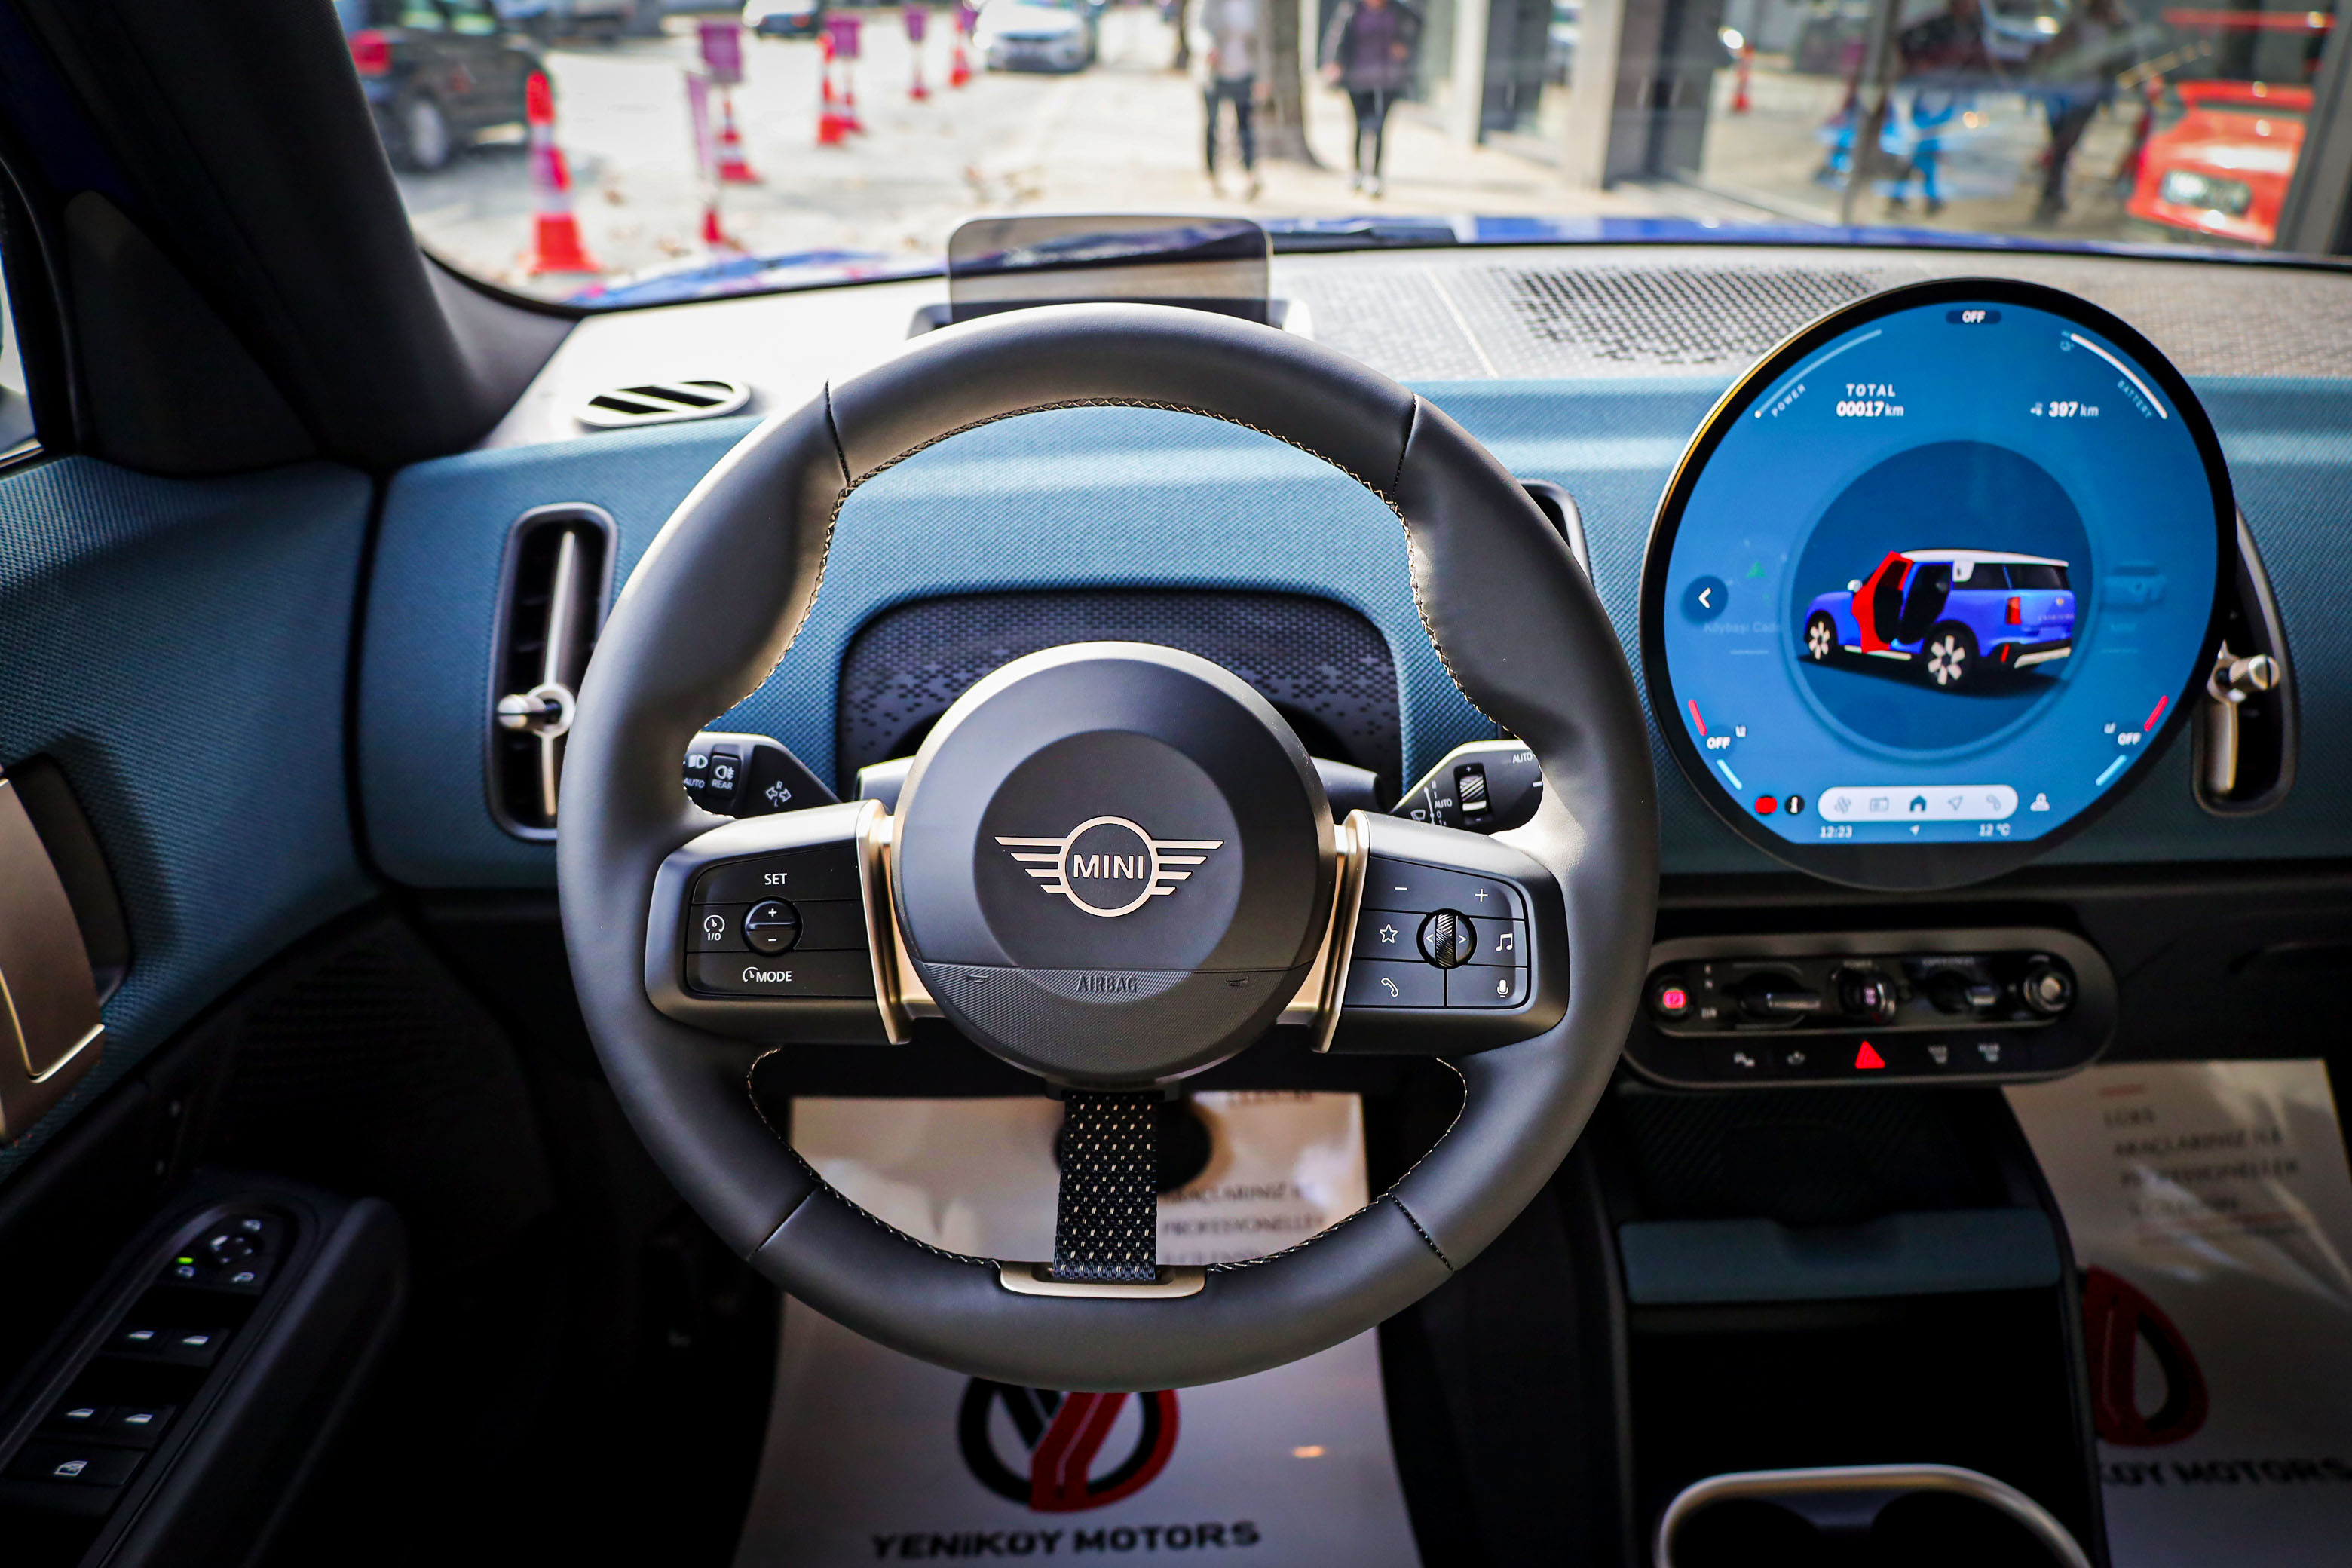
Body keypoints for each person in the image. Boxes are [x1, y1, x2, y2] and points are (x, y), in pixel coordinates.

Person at [2032, 0, 2128, 224]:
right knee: (2059, 147)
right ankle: (2053, 195)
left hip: (2088, 96)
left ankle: (2052, 196)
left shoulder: (2116, 27)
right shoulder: (2074, 22)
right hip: (2060, 93)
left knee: (2064, 146)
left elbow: (2123, 59)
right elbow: (2051, 52)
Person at [1321, 0, 1423, 198]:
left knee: (1380, 128)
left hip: (1387, 80)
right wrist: (1334, 63)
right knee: (1358, 126)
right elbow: (1336, 36)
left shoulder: (1399, 11)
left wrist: (1405, 47)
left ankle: (1375, 175)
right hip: (1357, 78)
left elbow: (1417, 26)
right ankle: (1356, 172)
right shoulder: (1352, 9)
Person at [1192, 0, 1261, 198]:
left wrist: (1264, 76)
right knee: (1212, 125)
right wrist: (1208, 48)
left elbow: (1262, 37)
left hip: (1244, 70)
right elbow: (1197, 29)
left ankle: (1249, 173)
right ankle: (1211, 175)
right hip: (1215, 73)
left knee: (1245, 126)